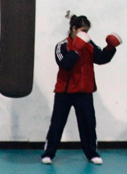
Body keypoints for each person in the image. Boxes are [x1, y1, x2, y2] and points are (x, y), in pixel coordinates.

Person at [41, 14, 121, 165]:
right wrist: (76, 48)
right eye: (83, 30)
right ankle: (48, 154)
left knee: (88, 124)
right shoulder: (62, 45)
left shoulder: (89, 45)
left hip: (84, 92)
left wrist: (110, 48)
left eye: (87, 31)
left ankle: (91, 154)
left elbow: (101, 59)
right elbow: (64, 64)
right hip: (64, 92)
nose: (85, 34)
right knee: (57, 124)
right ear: (73, 29)